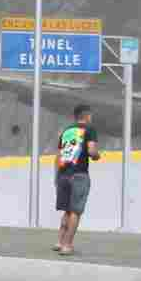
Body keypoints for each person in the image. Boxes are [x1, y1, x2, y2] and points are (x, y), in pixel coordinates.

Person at [55, 104, 100, 256]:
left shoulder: (66, 131)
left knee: (67, 210)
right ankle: (67, 245)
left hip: (63, 174)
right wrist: (96, 156)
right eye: (90, 116)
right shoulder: (89, 129)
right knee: (75, 211)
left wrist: (58, 176)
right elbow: (92, 151)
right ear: (86, 115)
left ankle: (59, 242)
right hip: (79, 174)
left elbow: (59, 155)